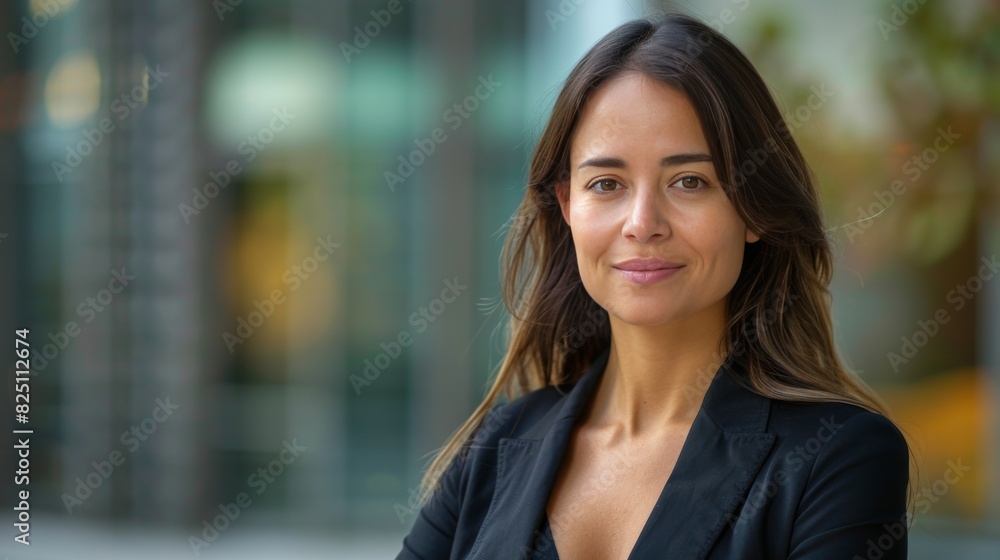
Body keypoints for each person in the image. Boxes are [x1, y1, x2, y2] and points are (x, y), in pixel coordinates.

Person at [396, 12, 912, 560]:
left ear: (754, 208)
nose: (643, 222)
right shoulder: (497, 446)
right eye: (607, 183)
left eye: (689, 181)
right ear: (568, 206)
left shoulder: (837, 458)